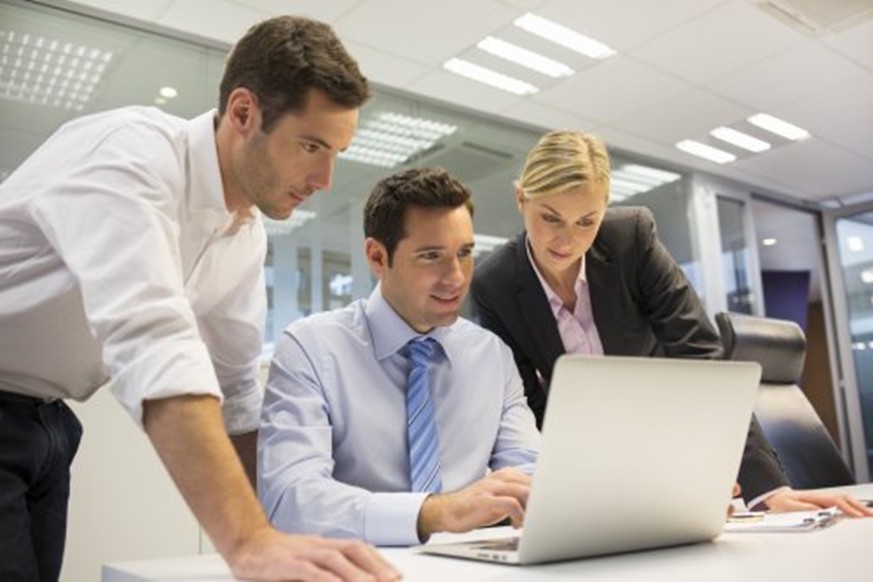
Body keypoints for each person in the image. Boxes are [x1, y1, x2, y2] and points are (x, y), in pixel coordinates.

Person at [0, 15, 401, 582]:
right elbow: (153, 342)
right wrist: (248, 542)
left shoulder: (244, 232)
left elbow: (236, 391)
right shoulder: (130, 157)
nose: (325, 178)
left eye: (336, 151)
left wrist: (283, 533)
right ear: (243, 113)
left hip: (49, 424)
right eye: (311, 145)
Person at [470, 129, 873, 517]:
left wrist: (767, 488)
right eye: (551, 218)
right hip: (583, 459)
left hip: (669, 437)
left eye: (586, 221)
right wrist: (573, 489)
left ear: (605, 206)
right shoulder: (495, 283)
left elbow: (701, 359)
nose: (567, 240)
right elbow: (526, 405)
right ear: (522, 198)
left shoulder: (631, 239)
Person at [258, 167, 540, 546]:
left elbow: (530, 472)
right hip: (356, 568)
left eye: (465, 253)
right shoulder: (311, 349)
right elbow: (290, 499)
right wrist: (435, 513)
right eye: (431, 256)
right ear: (377, 257)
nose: (456, 277)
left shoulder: (492, 357)